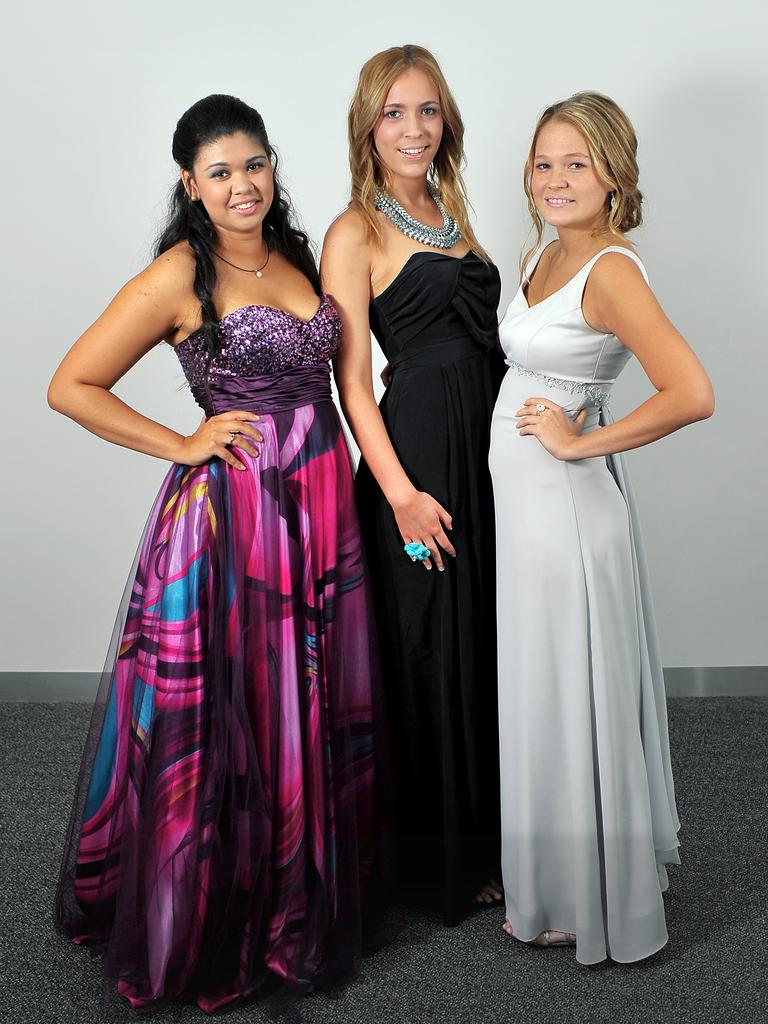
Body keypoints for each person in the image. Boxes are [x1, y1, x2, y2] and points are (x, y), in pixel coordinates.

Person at [49, 94, 386, 1012]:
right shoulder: (176, 276)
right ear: (190, 186)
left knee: (302, 700)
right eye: (221, 171)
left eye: (255, 164)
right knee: (234, 712)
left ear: (273, 166)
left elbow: (341, 378)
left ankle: (302, 887)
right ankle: (220, 911)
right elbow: (70, 385)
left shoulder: (299, 255)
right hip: (232, 517)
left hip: (318, 504)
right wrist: (183, 441)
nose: (243, 185)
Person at [490, 91, 714, 963]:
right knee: (544, 695)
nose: (555, 179)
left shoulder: (612, 270)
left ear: (614, 173)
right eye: (544, 162)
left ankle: (589, 902)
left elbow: (691, 393)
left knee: (566, 696)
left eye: (576, 163)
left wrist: (584, 440)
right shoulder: (546, 254)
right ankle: (555, 886)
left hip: (569, 519)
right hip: (530, 514)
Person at [321, 44, 504, 926]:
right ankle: (432, 867)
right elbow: (353, 381)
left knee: (478, 644)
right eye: (394, 112)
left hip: (486, 453)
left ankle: (486, 846)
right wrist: (397, 492)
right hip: (418, 461)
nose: (414, 128)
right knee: (426, 654)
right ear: (368, 123)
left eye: (428, 110)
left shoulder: (452, 210)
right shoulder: (355, 228)